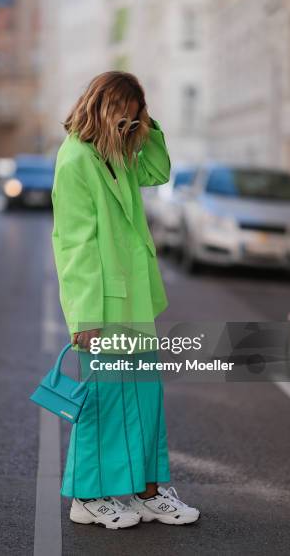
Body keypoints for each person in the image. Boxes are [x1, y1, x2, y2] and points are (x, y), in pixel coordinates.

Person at [51, 71, 200, 529]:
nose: (130, 129)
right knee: (102, 403)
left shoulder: (117, 154)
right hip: (104, 306)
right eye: (126, 120)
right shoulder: (76, 159)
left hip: (134, 302)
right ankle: (86, 498)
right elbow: (73, 245)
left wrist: (147, 124)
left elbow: (158, 171)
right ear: (106, 109)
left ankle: (146, 491)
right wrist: (85, 317)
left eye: (134, 122)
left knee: (145, 401)